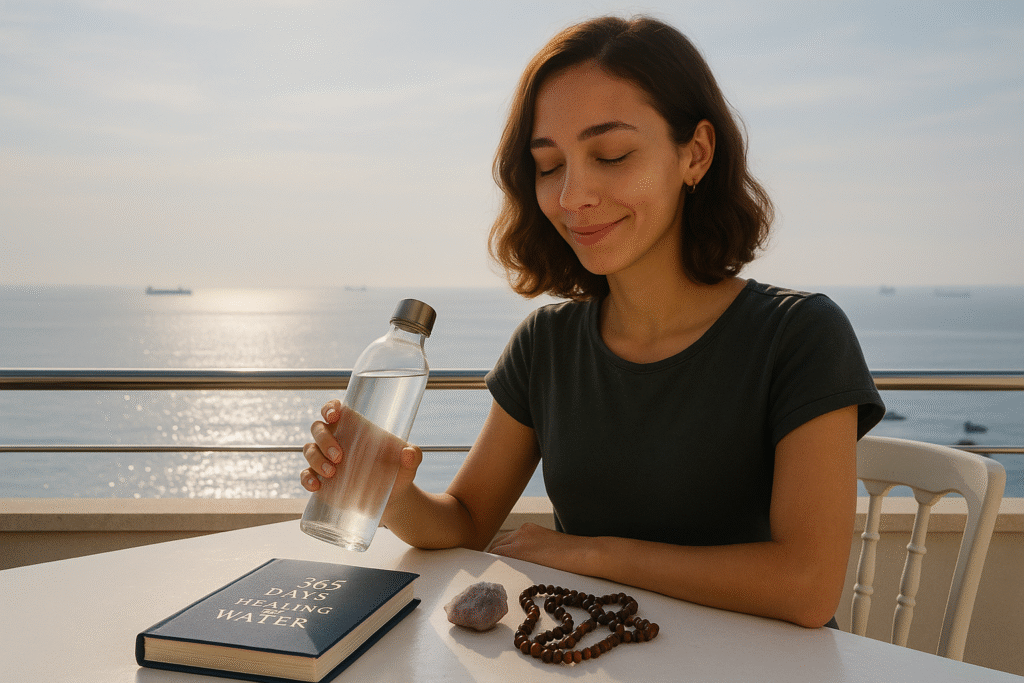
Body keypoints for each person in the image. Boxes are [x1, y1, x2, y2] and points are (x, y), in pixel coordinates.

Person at [301, 15, 884, 629]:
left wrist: (590, 554)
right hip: (590, 658)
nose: (572, 196)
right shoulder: (546, 343)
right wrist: (392, 492)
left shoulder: (799, 335)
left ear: (696, 154)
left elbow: (807, 587)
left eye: (611, 154)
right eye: (549, 166)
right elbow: (468, 521)